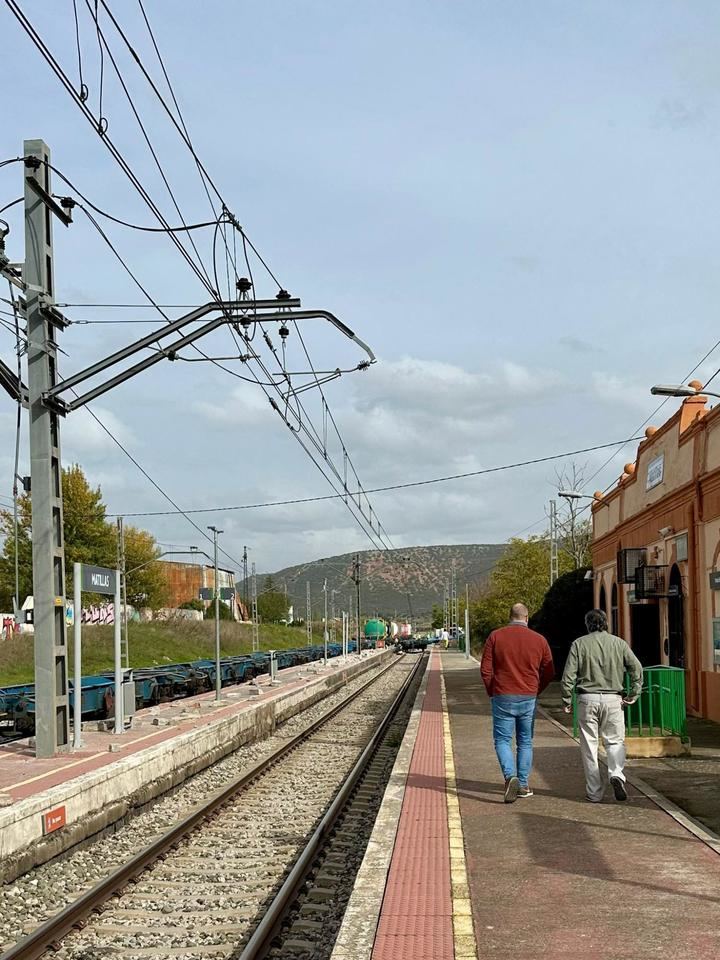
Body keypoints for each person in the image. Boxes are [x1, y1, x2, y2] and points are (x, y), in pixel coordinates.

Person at [561, 609, 643, 803]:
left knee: (589, 746)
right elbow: (636, 668)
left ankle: (595, 792)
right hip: (614, 699)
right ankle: (616, 774)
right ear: (606, 623)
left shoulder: (579, 644)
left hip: (586, 699)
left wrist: (566, 700)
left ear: (587, 624)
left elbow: (568, 677)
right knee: (614, 741)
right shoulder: (619, 643)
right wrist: (634, 692)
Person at [481, 602, 555, 803]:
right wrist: (536, 690)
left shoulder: (495, 637)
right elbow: (549, 671)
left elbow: (486, 669)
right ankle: (522, 784)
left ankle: (509, 776)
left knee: (502, 740)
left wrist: (492, 691)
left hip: (502, 696)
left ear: (509, 616)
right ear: (527, 618)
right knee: (525, 741)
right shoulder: (539, 640)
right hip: (528, 697)